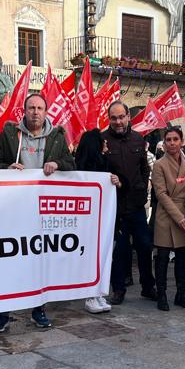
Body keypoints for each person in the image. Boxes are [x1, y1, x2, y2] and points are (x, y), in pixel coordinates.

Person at [0, 92, 74, 334]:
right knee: (8, 261)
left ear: (46, 112)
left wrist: (57, 164)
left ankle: (38, 309)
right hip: (12, 212)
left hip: (41, 215)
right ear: (24, 111)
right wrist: (6, 167)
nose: (35, 112)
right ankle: (2, 313)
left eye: (40, 108)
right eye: (31, 108)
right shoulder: (9, 134)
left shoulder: (58, 136)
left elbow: (72, 165)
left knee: (38, 262)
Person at [102, 100, 156, 306]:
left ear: (128, 117)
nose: (118, 121)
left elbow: (145, 168)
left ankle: (148, 286)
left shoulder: (138, 139)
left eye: (121, 117)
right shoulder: (102, 140)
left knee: (144, 246)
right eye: (113, 118)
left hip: (136, 205)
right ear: (109, 119)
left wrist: (142, 190)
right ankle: (118, 289)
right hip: (115, 206)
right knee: (119, 250)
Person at [151, 126, 185, 311]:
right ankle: (161, 295)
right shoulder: (159, 165)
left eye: (175, 139)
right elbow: (161, 194)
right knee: (162, 258)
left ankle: (182, 294)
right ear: (164, 143)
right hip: (167, 216)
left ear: (182, 141)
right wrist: (179, 217)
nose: (172, 143)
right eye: (168, 139)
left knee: (183, 257)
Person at [75, 128, 113, 314]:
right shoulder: (83, 168)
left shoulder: (104, 162)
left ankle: (97, 292)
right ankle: (90, 295)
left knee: (102, 255)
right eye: (102, 141)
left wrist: (116, 180)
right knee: (92, 257)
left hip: (101, 218)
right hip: (88, 221)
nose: (106, 143)